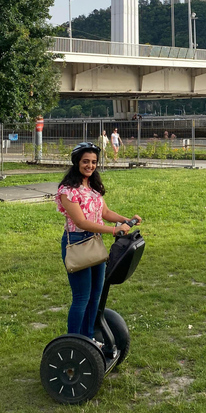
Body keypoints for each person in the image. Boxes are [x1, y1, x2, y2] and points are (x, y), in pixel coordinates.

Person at [55, 142, 141, 341]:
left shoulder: (93, 187)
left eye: (93, 162)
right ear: (77, 162)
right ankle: (74, 342)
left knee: (96, 296)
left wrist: (125, 220)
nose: (90, 166)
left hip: (95, 241)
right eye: (86, 161)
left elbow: (105, 212)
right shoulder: (68, 190)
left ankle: (89, 338)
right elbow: (81, 222)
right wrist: (113, 230)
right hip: (77, 243)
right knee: (81, 298)